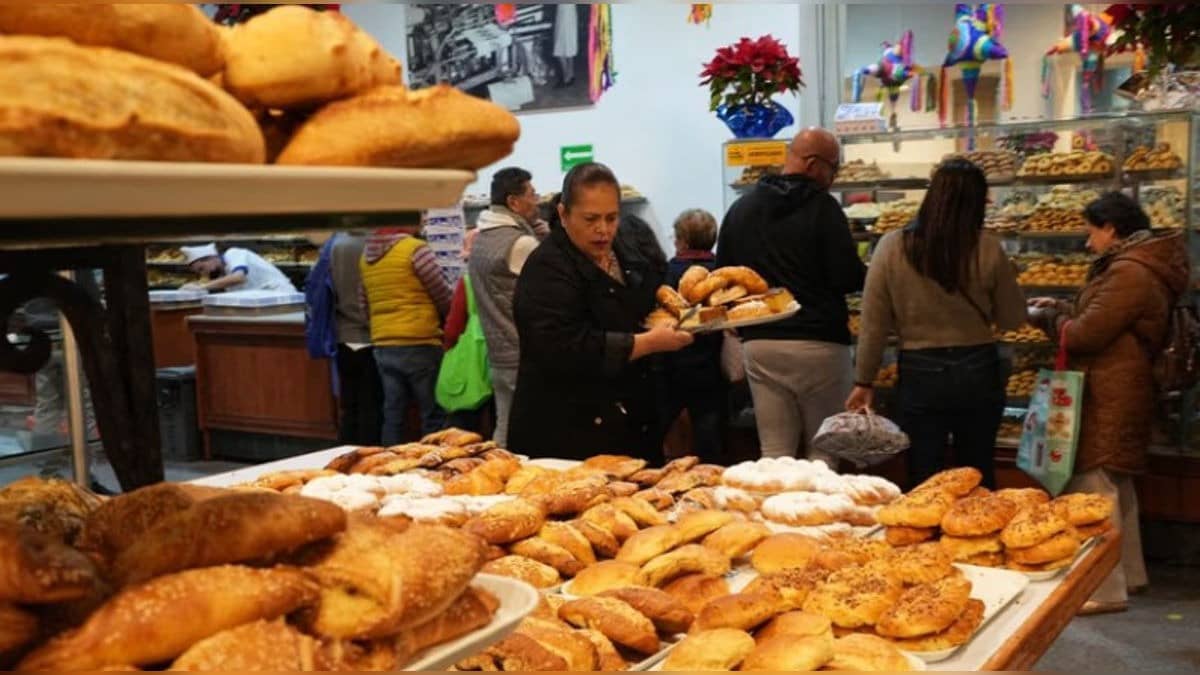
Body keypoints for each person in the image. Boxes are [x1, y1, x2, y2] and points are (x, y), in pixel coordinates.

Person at [1028, 192, 1188, 615]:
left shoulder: (1130, 272)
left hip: (1110, 389)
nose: (1087, 243)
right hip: (1123, 384)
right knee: (1116, 485)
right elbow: (1103, 318)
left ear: (1111, 229)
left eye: (1090, 232)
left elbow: (1086, 335)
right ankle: (1129, 574)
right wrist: (1063, 306)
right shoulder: (1139, 265)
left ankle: (1102, 588)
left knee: (1094, 486)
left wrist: (1050, 319)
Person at [846, 159, 1026, 489]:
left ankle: (924, 535)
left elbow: (872, 323)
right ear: (976, 201)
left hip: (920, 371)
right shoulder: (987, 248)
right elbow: (1013, 317)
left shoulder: (892, 246)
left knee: (923, 474)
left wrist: (864, 380)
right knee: (977, 471)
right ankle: (979, 535)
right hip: (978, 369)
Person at [507, 162, 693, 463]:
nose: (603, 229)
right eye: (591, 219)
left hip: (631, 425)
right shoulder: (546, 268)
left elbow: (649, 300)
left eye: (611, 218)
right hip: (567, 434)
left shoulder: (624, 250)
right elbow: (561, 348)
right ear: (563, 214)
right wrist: (647, 343)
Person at [716, 127, 866, 463]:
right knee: (825, 454)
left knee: (774, 455)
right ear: (814, 165)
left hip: (761, 344)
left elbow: (722, 274)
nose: (834, 178)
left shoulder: (742, 208)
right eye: (833, 168)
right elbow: (846, 277)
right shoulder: (824, 209)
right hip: (820, 345)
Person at [469, 167, 549, 445]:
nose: (536, 200)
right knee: (537, 432)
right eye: (532, 194)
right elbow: (551, 287)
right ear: (514, 202)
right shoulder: (520, 243)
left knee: (504, 428)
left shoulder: (481, 239)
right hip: (524, 352)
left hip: (497, 349)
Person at [360, 221, 453, 443]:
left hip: (383, 344)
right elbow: (441, 292)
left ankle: (389, 465)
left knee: (393, 414)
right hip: (419, 340)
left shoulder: (366, 256)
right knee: (432, 414)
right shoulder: (415, 249)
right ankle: (432, 467)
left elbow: (364, 304)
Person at [657, 209, 727, 463]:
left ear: (683, 241)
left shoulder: (668, 273)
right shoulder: (721, 272)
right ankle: (712, 473)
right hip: (712, 362)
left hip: (672, 360)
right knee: (709, 429)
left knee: (661, 423)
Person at [328, 232, 383, 445]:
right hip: (370, 335)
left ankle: (344, 456)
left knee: (349, 407)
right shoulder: (375, 244)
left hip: (343, 334)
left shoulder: (336, 244)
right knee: (372, 406)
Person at [180, 243, 296, 293]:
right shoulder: (223, 274)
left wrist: (202, 287)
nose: (204, 274)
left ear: (212, 258)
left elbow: (239, 278)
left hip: (280, 295)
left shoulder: (233, 253)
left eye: (202, 268)